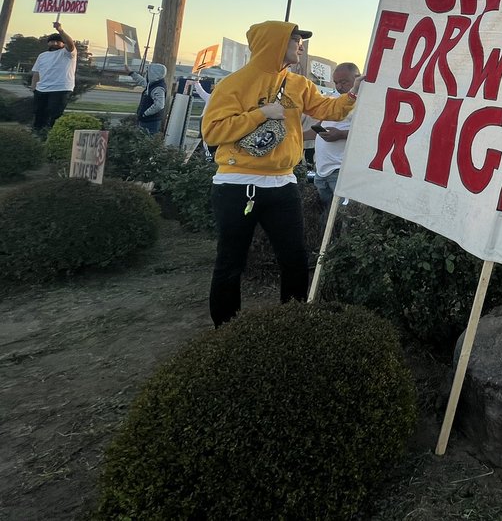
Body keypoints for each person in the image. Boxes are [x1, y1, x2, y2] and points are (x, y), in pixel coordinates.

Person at [201, 22, 361, 327]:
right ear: (273, 43)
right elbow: (212, 130)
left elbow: (331, 109)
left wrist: (353, 94)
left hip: (283, 183)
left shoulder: (299, 85)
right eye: (295, 41)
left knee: (295, 259)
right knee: (230, 262)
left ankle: (293, 323)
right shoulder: (233, 84)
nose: (300, 46)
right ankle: (226, 331)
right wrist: (261, 114)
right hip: (236, 185)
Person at [309, 62, 359, 213]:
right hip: (321, 170)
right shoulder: (333, 99)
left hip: (340, 170)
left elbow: (367, 132)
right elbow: (316, 129)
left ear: (356, 78)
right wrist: (293, 135)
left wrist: (340, 134)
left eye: (344, 82)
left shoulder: (363, 102)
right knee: (325, 215)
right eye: (336, 82)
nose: (339, 86)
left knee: (342, 217)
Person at [29, 21, 77, 136]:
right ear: (48, 43)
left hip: (60, 89)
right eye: (52, 41)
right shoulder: (42, 56)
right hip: (41, 89)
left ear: (62, 43)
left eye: (58, 41)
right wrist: (34, 87)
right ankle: (37, 136)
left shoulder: (67, 53)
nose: (55, 43)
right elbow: (37, 72)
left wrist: (60, 30)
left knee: (54, 115)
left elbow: (70, 44)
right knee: (39, 115)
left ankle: (52, 137)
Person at [125, 61, 168, 134]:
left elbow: (159, 105)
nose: (146, 73)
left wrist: (145, 114)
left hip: (150, 122)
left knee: (146, 141)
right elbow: (142, 81)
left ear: (154, 74)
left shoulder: (158, 88)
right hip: (147, 120)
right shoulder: (152, 84)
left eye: (148, 72)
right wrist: (131, 73)